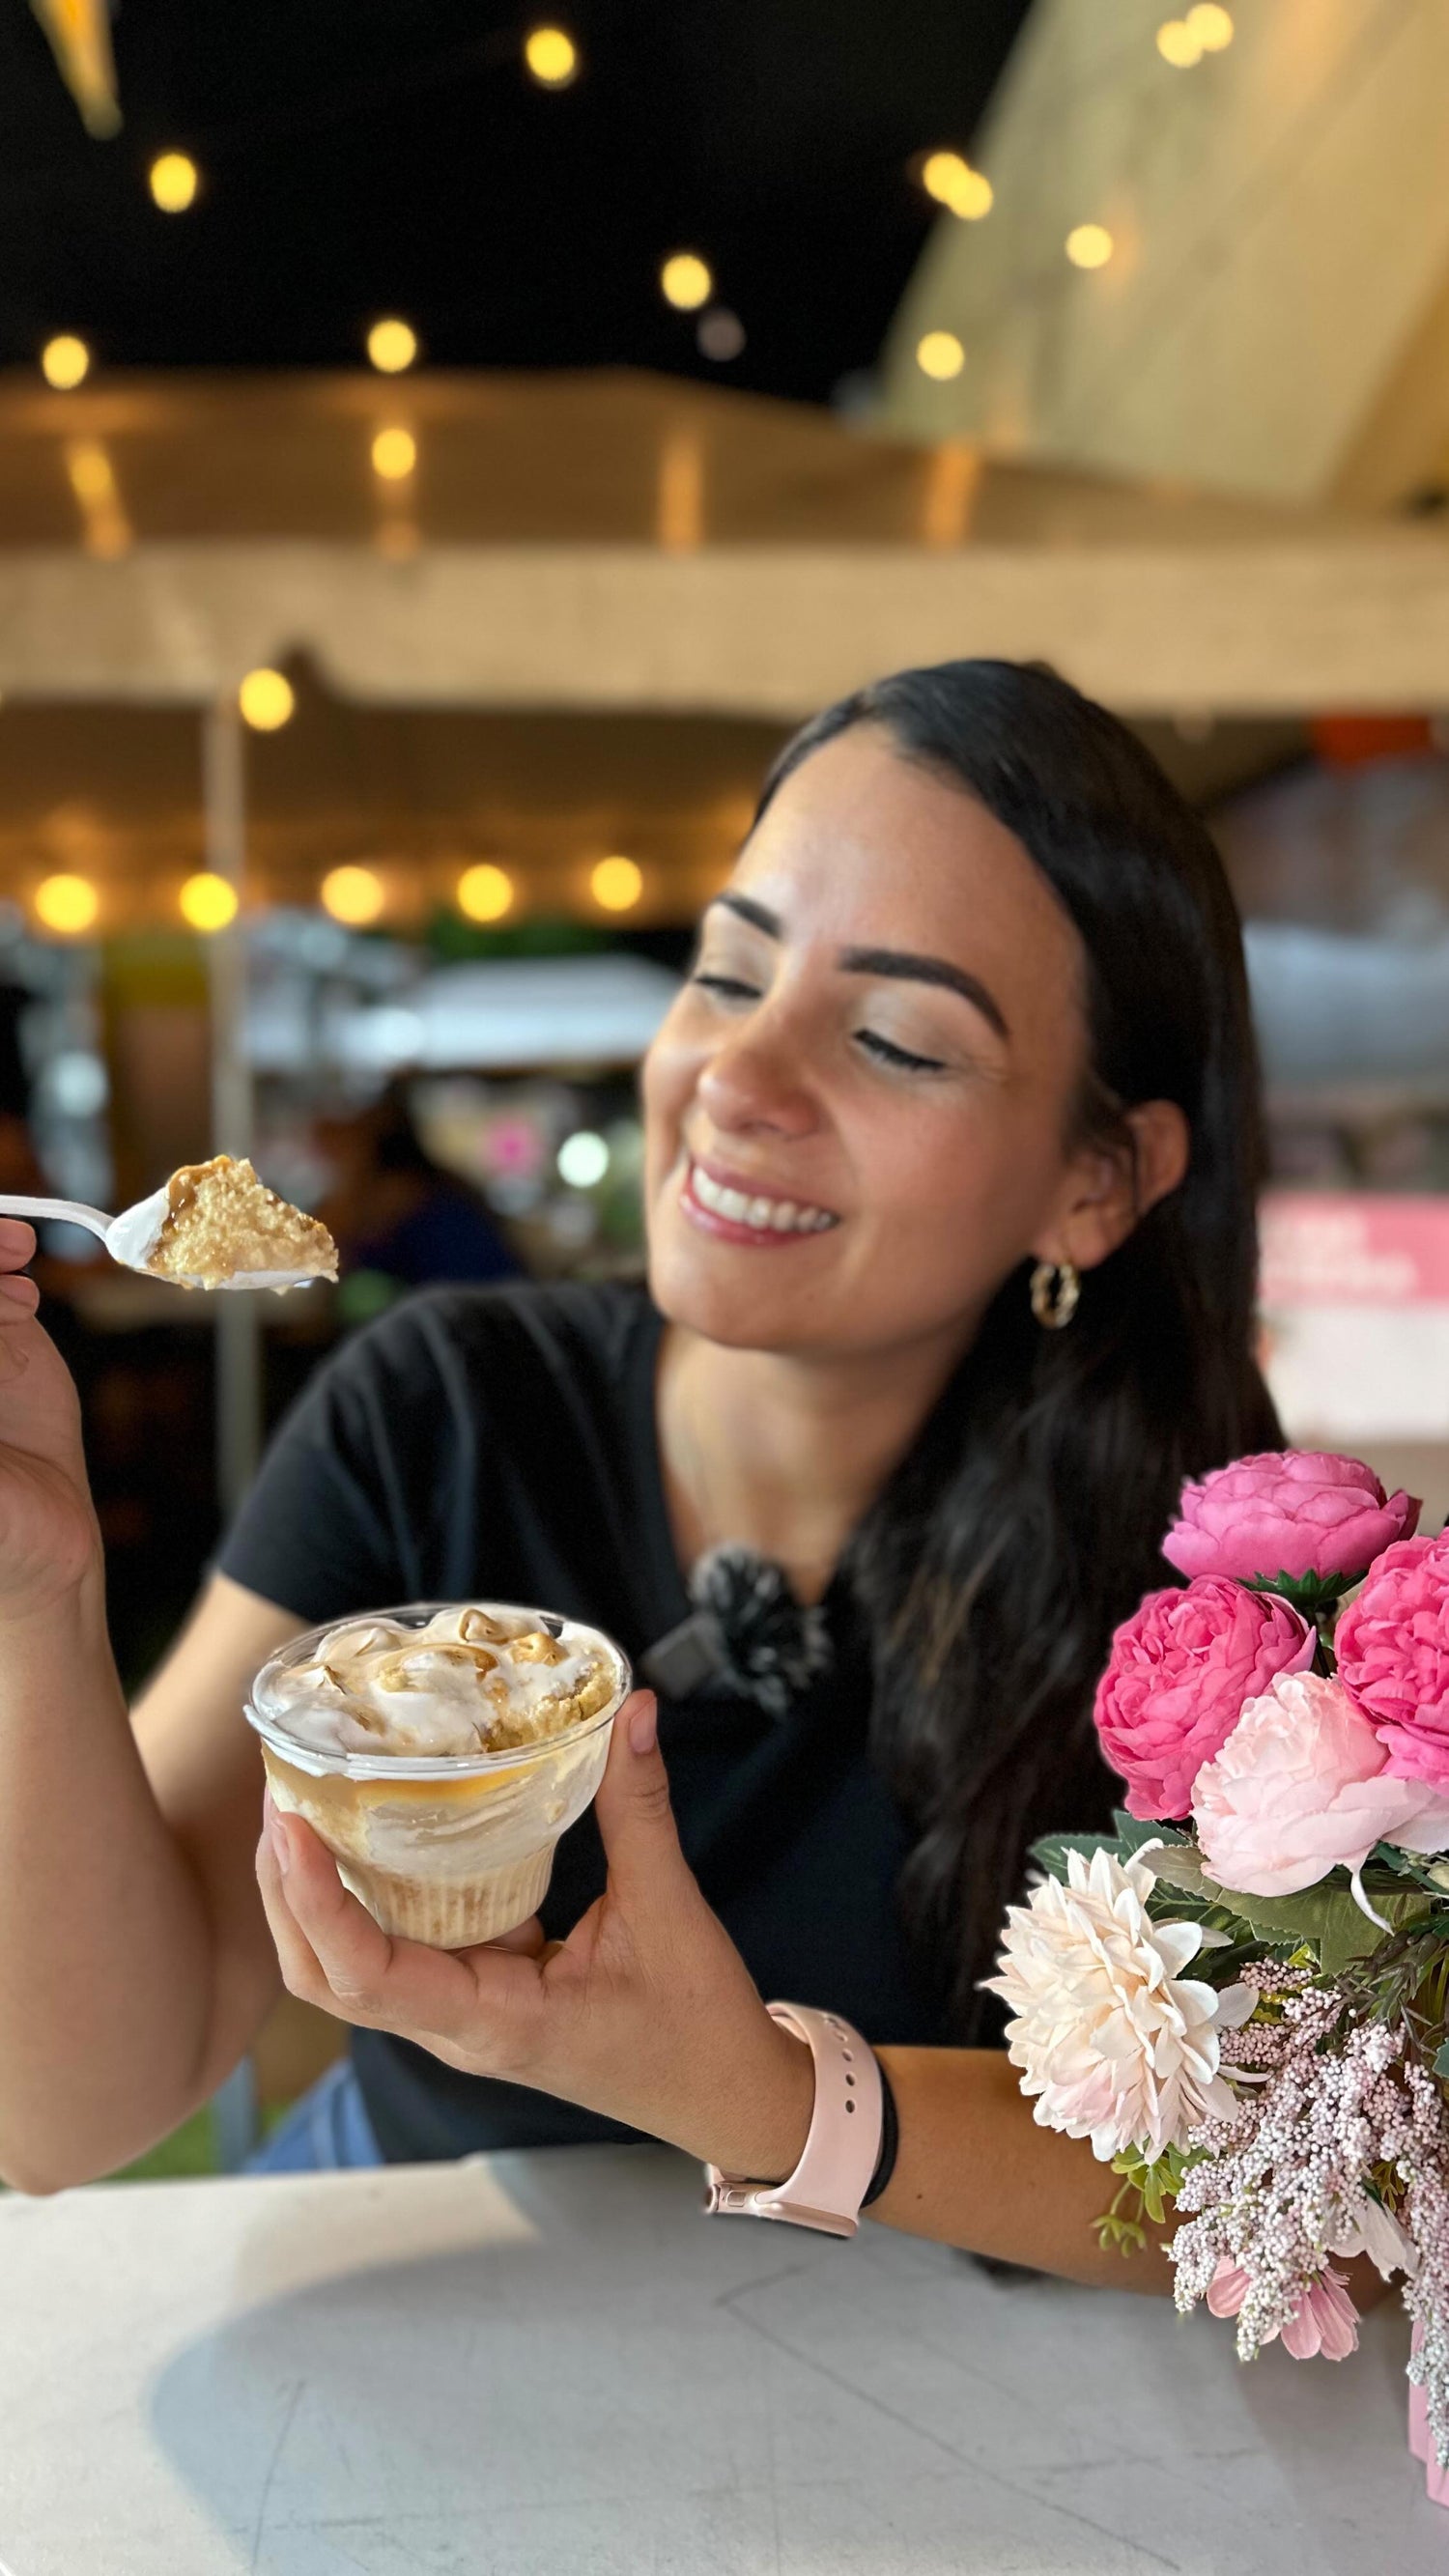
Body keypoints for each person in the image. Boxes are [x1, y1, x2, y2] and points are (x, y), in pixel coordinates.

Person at [0, 661, 1276, 2274]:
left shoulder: (1207, 1580)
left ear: (1101, 1179)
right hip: (428, 2323)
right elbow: (64, 2115)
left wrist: (761, 2096)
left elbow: (1305, 2192)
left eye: (892, 1039)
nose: (737, 1081)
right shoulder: (445, 1409)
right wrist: (36, 1598)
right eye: (732, 977)